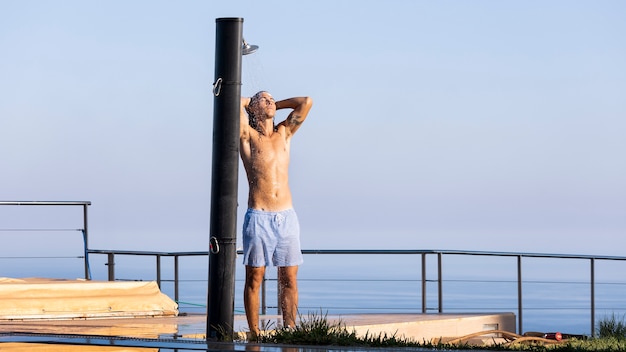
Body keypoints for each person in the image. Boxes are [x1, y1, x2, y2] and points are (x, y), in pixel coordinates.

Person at [239, 91, 313, 338]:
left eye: (272, 98)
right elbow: (233, 103)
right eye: (264, 98)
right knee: (255, 277)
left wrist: (273, 105)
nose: (270, 100)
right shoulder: (247, 136)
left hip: (287, 217)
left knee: (289, 277)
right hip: (259, 217)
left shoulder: (284, 133)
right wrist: (251, 104)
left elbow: (306, 102)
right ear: (253, 108)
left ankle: (289, 329)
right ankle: (254, 332)